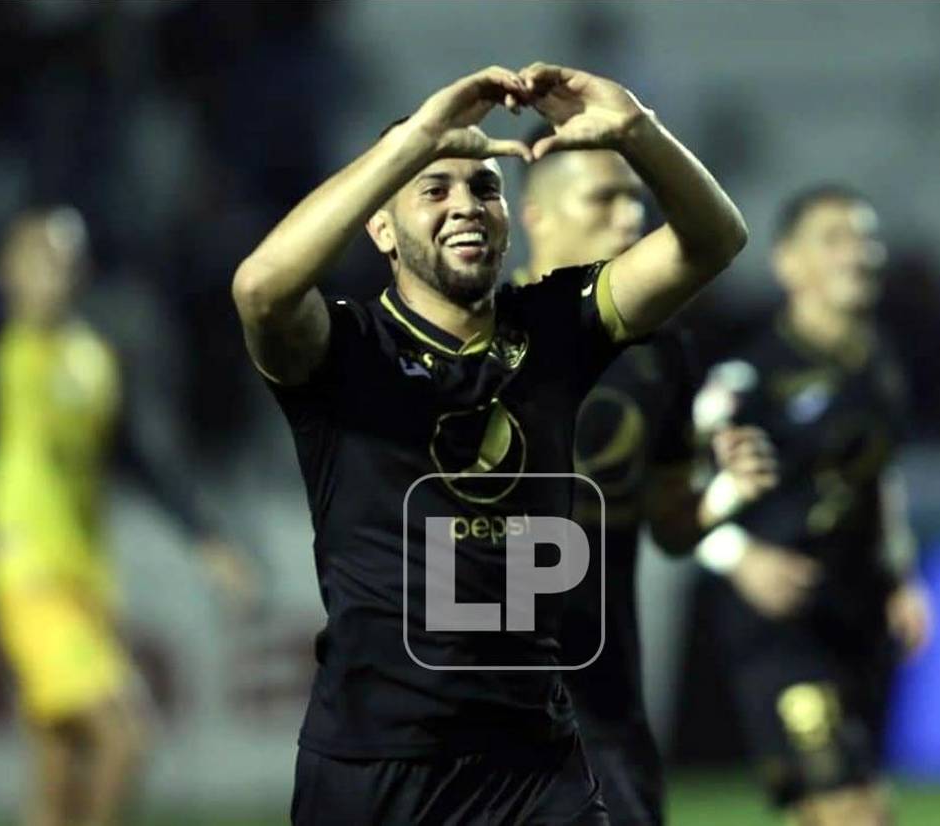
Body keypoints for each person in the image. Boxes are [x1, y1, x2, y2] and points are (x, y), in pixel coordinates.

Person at [232, 63, 747, 824]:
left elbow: (714, 241)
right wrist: (413, 140)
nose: (466, 206)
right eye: (433, 190)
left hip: (533, 764)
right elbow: (260, 289)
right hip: (375, 764)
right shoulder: (344, 351)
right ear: (381, 226)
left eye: (484, 188)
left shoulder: (556, 326)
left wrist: (638, 129)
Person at [0, 206, 255, 826]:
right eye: (38, 261)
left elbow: (136, 458)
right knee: (124, 737)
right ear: (7, 271)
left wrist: (205, 536)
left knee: (59, 760)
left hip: (86, 575)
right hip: (25, 574)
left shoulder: (92, 358)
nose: (52, 275)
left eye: (63, 262)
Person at [516, 127, 777, 824]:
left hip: (607, 698)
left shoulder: (659, 354)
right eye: (603, 199)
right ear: (535, 214)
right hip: (496, 701)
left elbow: (669, 526)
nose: (628, 216)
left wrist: (725, 493)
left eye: (634, 199)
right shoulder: (473, 339)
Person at [685, 185, 933, 825]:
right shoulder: (750, 377)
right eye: (834, 239)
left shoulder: (878, 362)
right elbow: (680, 485)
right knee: (853, 810)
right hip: (781, 629)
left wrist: (902, 578)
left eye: (865, 239)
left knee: (834, 809)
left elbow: (881, 477)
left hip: (855, 616)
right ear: (788, 262)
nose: (857, 254)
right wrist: (740, 556)